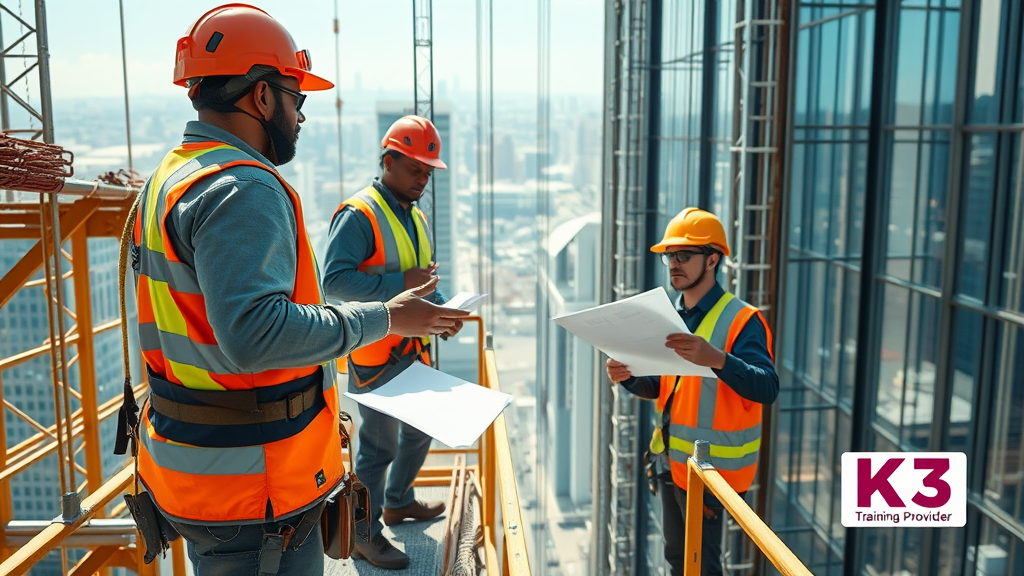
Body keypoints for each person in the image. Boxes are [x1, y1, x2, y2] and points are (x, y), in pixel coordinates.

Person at [127, 5, 467, 575]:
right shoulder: (241, 188)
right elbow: (257, 335)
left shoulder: (171, 175)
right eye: (296, 98)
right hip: (253, 484)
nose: (301, 116)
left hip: (200, 461)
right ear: (262, 97)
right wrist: (385, 317)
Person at [605, 208, 778, 576]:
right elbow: (665, 385)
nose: (673, 264)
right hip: (674, 463)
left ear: (712, 259)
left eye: (684, 255)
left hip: (716, 473)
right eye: (670, 256)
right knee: (678, 559)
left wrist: (716, 358)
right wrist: (629, 377)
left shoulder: (743, 320)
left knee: (703, 567)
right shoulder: (673, 315)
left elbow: (766, 387)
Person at [322, 115, 460, 569]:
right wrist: (402, 281)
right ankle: (363, 534)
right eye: (416, 169)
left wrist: (440, 313)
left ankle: (398, 501)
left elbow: (424, 282)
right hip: (377, 354)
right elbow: (336, 283)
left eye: (427, 171)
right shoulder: (359, 215)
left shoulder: (415, 217)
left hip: (412, 350)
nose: (423, 179)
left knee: (422, 429)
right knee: (378, 447)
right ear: (389, 161)